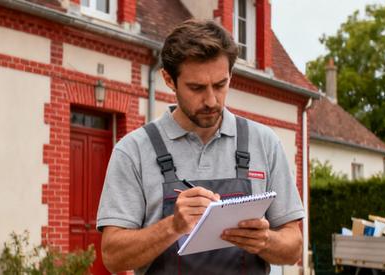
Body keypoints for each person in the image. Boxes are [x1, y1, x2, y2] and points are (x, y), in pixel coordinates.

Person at [95, 19, 305, 274]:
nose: (211, 100)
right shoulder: (133, 151)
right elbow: (112, 256)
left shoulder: (264, 143)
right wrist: (173, 226)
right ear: (168, 80)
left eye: (220, 85)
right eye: (196, 88)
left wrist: (265, 240)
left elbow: (294, 247)